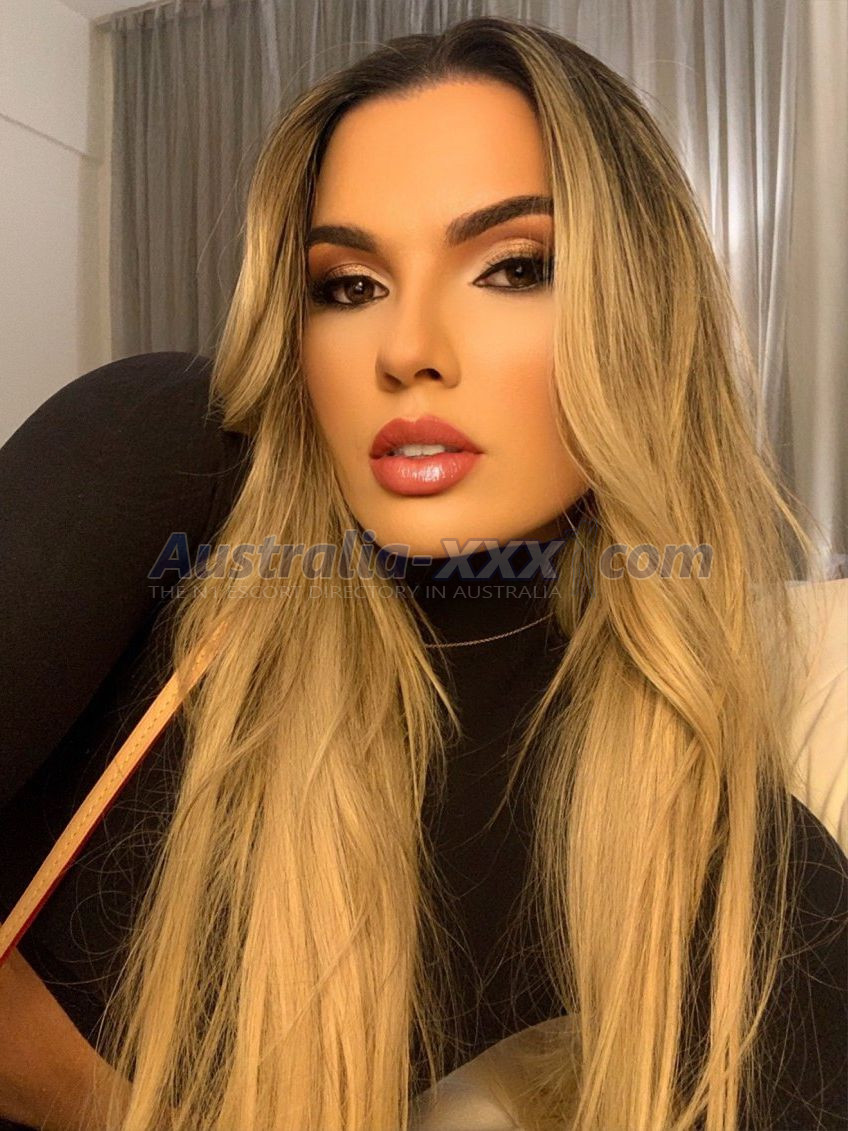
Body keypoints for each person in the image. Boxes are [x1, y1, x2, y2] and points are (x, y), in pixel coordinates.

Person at [0, 15, 845, 1131]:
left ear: (642, 319)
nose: (406, 350)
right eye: (349, 285)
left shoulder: (694, 841)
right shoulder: (164, 456)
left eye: (513, 267)